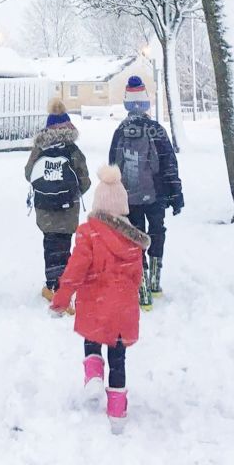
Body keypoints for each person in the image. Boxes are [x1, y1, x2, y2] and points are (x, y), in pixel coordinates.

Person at [49, 165, 150, 430]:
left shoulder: (89, 232)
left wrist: (61, 300)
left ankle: (93, 377)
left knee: (92, 340)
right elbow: (137, 278)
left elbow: (75, 270)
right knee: (118, 359)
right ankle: (117, 414)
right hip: (123, 310)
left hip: (95, 304)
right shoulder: (134, 241)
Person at [108, 75, 184, 306]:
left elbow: (112, 166)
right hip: (157, 194)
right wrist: (175, 194)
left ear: (127, 104)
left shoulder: (120, 131)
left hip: (129, 196)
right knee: (157, 231)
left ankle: (141, 291)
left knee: (134, 238)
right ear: (146, 102)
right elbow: (169, 163)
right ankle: (155, 281)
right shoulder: (157, 130)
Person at [24, 97, 91, 302]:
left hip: (44, 208)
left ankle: (52, 283)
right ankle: (65, 284)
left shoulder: (40, 149)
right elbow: (85, 180)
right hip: (67, 207)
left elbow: (29, 174)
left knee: (49, 245)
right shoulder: (72, 149)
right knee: (64, 245)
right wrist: (73, 191)